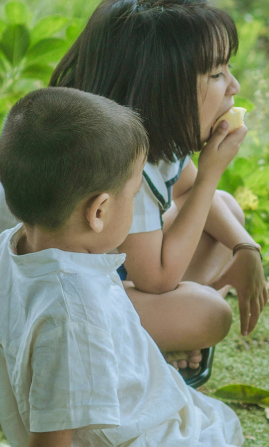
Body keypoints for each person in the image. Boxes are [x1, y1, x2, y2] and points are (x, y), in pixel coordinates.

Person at [0, 87, 244, 447]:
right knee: (218, 430)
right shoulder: (73, 315)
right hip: (136, 437)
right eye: (132, 196)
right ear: (98, 212)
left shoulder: (12, 246)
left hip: (135, 405)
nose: (136, 206)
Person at [48, 0, 268, 369]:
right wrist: (212, 172)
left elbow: (186, 190)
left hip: (106, 273)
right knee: (210, 315)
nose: (234, 86)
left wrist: (246, 247)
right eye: (217, 73)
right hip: (53, 302)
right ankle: (155, 343)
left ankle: (158, 335)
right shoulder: (120, 160)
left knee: (227, 214)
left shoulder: (153, 126)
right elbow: (159, 280)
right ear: (164, 87)